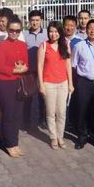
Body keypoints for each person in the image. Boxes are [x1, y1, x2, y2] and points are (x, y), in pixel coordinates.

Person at [72, 19, 94, 150]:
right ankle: (82, 136)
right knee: (82, 110)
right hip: (84, 82)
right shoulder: (79, 46)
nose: (93, 31)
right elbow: (73, 65)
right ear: (86, 30)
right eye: (90, 28)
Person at [0, 16, 29, 158]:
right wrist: (15, 70)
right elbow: (0, 66)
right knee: (8, 114)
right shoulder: (2, 45)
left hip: (19, 83)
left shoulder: (22, 45)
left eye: (17, 31)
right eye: (11, 30)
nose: (14, 33)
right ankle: (9, 144)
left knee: (17, 114)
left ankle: (14, 142)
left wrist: (24, 68)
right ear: (7, 30)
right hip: (5, 83)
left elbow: (26, 63)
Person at [37, 21, 74, 149]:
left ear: (60, 32)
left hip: (63, 83)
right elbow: (40, 66)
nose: (53, 34)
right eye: (51, 31)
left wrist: (71, 83)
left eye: (56, 31)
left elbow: (68, 65)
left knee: (62, 113)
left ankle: (60, 136)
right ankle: (53, 137)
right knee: (50, 113)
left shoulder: (66, 44)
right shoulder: (44, 46)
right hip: (49, 84)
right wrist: (41, 85)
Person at [23, 10, 48, 132]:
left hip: (44, 71)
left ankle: (42, 120)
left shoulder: (47, 33)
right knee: (27, 98)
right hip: (29, 71)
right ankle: (26, 122)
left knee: (43, 97)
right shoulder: (24, 34)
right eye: (32, 20)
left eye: (37, 20)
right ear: (29, 21)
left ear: (41, 21)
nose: (35, 22)